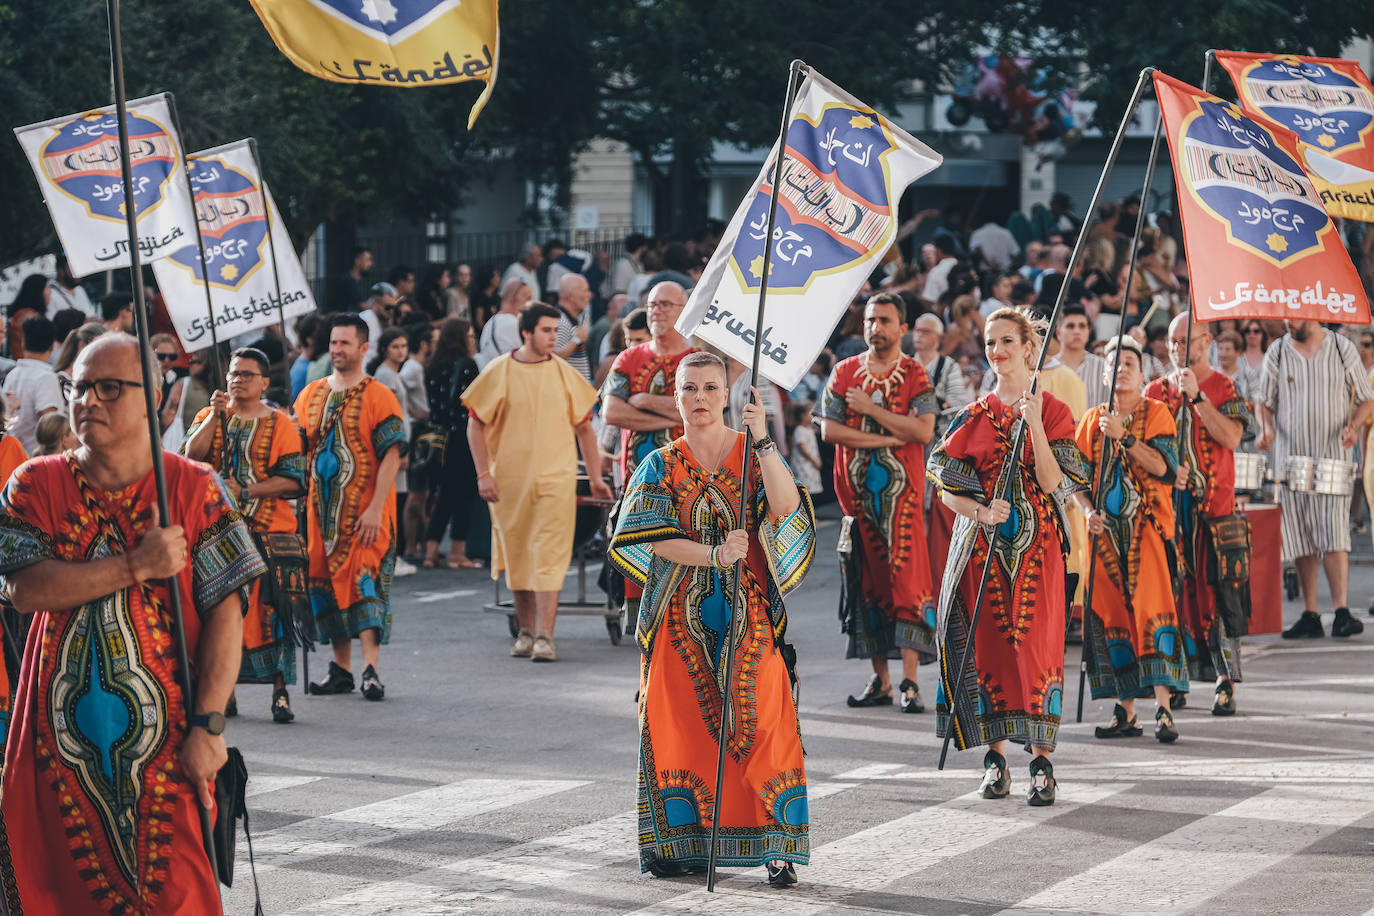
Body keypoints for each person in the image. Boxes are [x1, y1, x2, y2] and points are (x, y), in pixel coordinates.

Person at [0, 333, 264, 914]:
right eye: (78, 386)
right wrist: (134, 566)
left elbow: (228, 615)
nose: (87, 400)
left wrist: (210, 728)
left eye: (108, 388)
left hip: (173, 752)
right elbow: (25, 590)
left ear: (155, 395)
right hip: (55, 759)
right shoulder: (33, 485)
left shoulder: (197, 489)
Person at [607, 351, 816, 885]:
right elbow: (645, 538)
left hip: (750, 612)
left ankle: (777, 846)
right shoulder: (659, 462)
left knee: (765, 723)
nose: (699, 398)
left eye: (709, 388)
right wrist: (714, 555)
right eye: (689, 389)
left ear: (727, 395)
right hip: (680, 616)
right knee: (683, 729)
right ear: (676, 398)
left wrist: (765, 439)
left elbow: (787, 506)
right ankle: (687, 843)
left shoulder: (752, 452)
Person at [928, 306, 1092, 805]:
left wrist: (1036, 424)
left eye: (1006, 342)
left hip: (1040, 554)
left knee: (1041, 651)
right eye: (990, 342)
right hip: (983, 555)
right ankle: (995, 760)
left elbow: (1054, 482)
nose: (997, 351)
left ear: (1028, 348)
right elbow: (944, 488)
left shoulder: (1055, 411)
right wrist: (979, 510)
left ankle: (1042, 763)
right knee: (990, 651)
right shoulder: (973, 415)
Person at [463, 304, 612, 662]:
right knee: (518, 557)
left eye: (553, 330)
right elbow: (475, 423)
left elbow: (585, 430)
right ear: (526, 332)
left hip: (555, 482)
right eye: (545, 330)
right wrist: (483, 474)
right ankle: (526, 631)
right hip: (508, 484)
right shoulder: (498, 371)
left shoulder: (563, 373)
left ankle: (545, 636)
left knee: (548, 557)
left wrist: (594, 478)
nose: (552, 337)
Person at [819, 291, 939, 713]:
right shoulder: (843, 372)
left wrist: (871, 409)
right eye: (871, 320)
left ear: (903, 328)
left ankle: (910, 682)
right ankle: (881, 681)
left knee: (907, 584)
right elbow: (830, 433)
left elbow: (923, 431)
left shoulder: (916, 376)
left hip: (902, 506)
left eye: (885, 320)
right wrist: (888, 436)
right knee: (866, 585)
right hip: (857, 507)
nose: (876, 327)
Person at [184, 347, 308, 723]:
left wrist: (248, 491)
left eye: (247, 375)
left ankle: (280, 692)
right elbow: (191, 456)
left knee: (274, 611)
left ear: (264, 382)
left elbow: (293, 481)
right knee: (221, 610)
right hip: (219, 533)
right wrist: (215, 416)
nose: (238, 380)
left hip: (270, 532)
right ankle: (227, 692)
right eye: (234, 374)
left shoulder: (282, 423)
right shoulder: (211, 414)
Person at [1076, 334, 1188, 743]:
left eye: (1129, 363)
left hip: (1148, 531)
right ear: (1103, 372)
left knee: (1152, 610)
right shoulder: (1090, 420)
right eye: (1113, 363)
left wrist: (1124, 437)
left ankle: (1163, 709)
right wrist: (1087, 511)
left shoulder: (1156, 412)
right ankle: (1126, 711)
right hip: (1104, 537)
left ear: (1142, 373)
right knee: (1111, 617)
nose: (1120, 369)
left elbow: (1165, 468)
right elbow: (1076, 483)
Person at [294, 314, 407, 700]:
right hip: (319, 517)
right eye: (333, 342)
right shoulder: (310, 395)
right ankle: (340, 670)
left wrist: (376, 508)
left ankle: (371, 669)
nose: (337, 349)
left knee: (365, 584)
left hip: (366, 514)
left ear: (363, 348)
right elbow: (297, 448)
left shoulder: (379, 395)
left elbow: (392, 455)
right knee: (324, 588)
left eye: (345, 343)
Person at [1146, 315, 1250, 714]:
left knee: (1220, 592)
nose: (1177, 349)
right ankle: (1178, 678)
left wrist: (1198, 398)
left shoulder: (1224, 386)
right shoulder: (1154, 391)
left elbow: (1232, 437)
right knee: (1175, 593)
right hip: (1169, 508)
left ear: (1205, 341)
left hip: (1215, 507)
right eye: (1172, 342)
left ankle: (1225, 680)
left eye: (1185, 341)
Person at [1258, 319, 1374, 636]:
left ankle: (1341, 611)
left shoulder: (1341, 347)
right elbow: (1263, 401)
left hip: (1333, 456)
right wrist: (1266, 428)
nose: (1288, 323)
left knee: (1335, 533)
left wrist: (1353, 425)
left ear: (1312, 313)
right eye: (1286, 319)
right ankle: (1310, 614)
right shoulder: (1278, 351)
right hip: (1290, 459)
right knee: (1301, 535)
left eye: (1294, 318)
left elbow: (1366, 397)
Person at [600, 281, 696, 628]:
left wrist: (644, 401)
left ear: (684, 310)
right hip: (637, 478)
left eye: (666, 305)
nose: (657, 311)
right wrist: (672, 412)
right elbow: (612, 412)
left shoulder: (696, 360)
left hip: (689, 477)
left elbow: (703, 413)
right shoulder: (629, 358)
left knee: (688, 558)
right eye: (653, 304)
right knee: (640, 553)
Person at [424, 319, 482, 568]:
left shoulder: (433, 365)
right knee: (466, 494)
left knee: (444, 495)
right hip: (463, 435)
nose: (473, 340)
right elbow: (477, 401)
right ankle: (458, 552)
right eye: (469, 336)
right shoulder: (467, 365)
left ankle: (431, 551)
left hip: (439, 437)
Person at [367, 328, 420, 578]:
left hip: (399, 445)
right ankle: (392, 556)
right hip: (394, 447)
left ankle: (393, 555)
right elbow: (390, 416)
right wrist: (400, 449)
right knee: (394, 503)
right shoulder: (385, 376)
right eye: (395, 346)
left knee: (398, 500)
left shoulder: (393, 374)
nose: (401, 351)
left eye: (403, 346)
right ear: (385, 349)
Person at [2, 316, 62, 455]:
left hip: (13, 457)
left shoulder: (12, 375)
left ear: (23, 343)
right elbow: (50, 427)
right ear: (52, 346)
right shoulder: (46, 377)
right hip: (35, 461)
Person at [1056, 306, 1108, 410]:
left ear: (1088, 332)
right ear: (1058, 333)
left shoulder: (1104, 366)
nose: (1076, 331)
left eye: (1082, 326)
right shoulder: (1047, 367)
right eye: (1070, 326)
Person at [477, 276, 529, 369]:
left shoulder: (491, 322)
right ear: (514, 298)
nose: (531, 303)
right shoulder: (513, 324)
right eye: (528, 298)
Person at [554, 273, 594, 382]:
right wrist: (576, 340)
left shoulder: (570, 319)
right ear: (571, 296)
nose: (589, 295)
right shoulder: (560, 322)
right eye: (585, 290)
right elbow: (554, 359)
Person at [329, 246, 372, 313]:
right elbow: (363, 307)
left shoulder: (358, 281)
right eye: (367, 260)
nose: (370, 264)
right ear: (357, 261)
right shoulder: (348, 281)